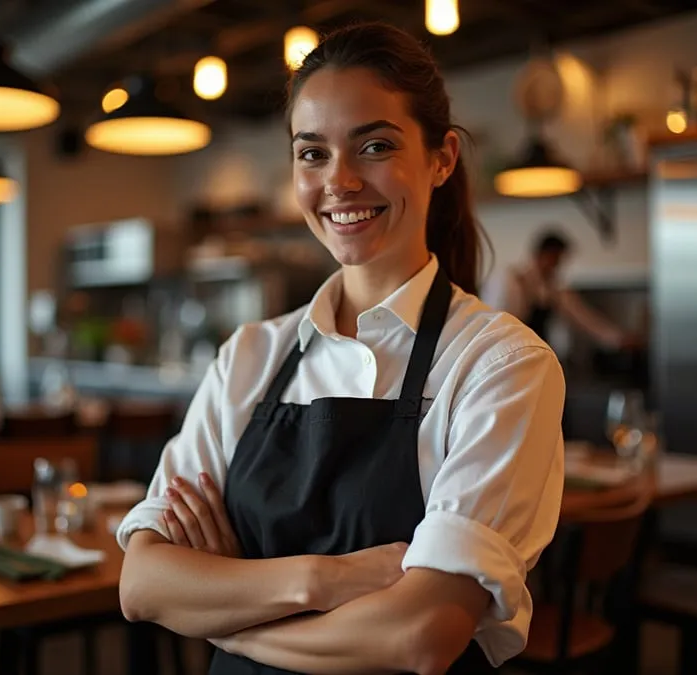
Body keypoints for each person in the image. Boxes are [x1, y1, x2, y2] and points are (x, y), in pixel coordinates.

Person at [117, 22, 565, 674]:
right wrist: (322, 580)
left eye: (375, 145)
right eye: (312, 153)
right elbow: (144, 584)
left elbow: (420, 634)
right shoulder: (249, 356)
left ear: (441, 158)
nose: (340, 181)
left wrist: (231, 622)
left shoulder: (499, 365)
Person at [481, 230, 640, 350]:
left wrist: (618, 339)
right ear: (540, 255)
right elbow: (497, 326)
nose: (557, 266)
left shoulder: (553, 289)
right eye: (555, 259)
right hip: (508, 354)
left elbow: (584, 318)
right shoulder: (511, 281)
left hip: (535, 353)